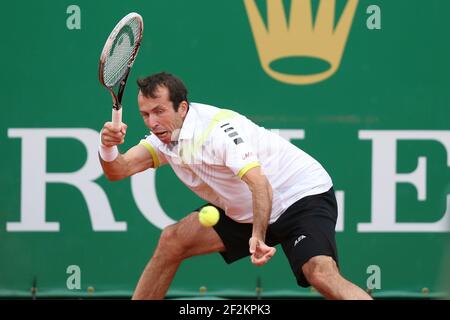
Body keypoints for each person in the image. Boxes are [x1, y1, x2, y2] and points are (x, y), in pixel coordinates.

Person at [99, 72, 372, 300]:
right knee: (172, 241)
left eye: (159, 111)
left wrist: (258, 235)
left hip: (299, 195)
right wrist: (107, 146)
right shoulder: (162, 138)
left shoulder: (217, 133)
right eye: (145, 114)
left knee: (320, 273)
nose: (152, 122)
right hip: (247, 207)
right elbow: (118, 170)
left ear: (182, 107)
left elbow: (260, 184)